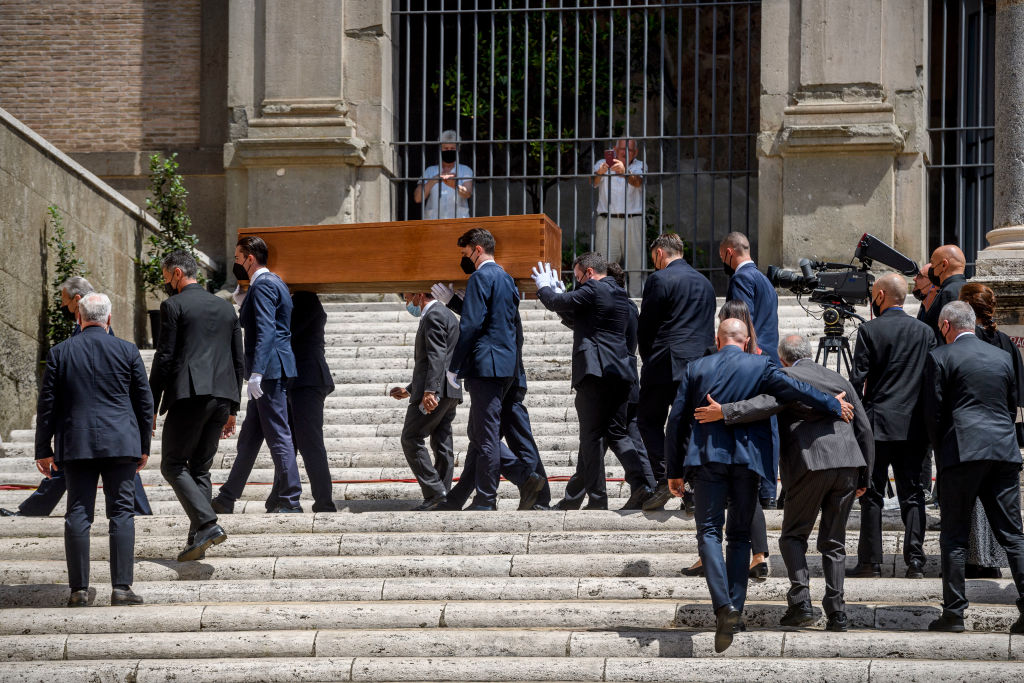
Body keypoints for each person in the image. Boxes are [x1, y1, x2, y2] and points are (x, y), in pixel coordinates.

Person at [663, 318, 848, 653]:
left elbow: (675, 421)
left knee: (707, 531)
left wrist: (673, 471)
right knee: (738, 537)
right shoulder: (761, 365)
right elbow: (798, 390)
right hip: (747, 463)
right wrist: (833, 403)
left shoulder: (696, 368)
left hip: (707, 460)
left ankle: (725, 607)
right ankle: (736, 609)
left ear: (718, 340)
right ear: (747, 340)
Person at [695, 334, 872, 633]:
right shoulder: (837, 378)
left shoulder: (785, 376)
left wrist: (724, 411)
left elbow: (763, 404)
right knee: (834, 542)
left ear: (784, 358)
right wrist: (865, 475)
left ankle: (801, 602)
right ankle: (837, 613)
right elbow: (864, 427)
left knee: (792, 536)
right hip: (849, 464)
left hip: (809, 463)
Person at [34, 293, 152, 607]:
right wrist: (143, 446)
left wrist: (42, 449)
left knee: (77, 513)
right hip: (121, 443)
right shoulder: (127, 350)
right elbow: (144, 402)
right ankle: (122, 588)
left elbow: (47, 406)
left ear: (79, 318)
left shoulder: (60, 352)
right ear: (109, 319)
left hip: (77, 443)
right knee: (122, 513)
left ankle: (78, 590)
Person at [1, 276, 152, 518]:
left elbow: (50, 400)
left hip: (85, 427)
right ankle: (140, 511)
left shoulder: (82, 341)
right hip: (110, 431)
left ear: (78, 300)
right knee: (117, 468)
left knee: (84, 494)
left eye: (65, 301)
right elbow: (142, 399)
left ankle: (141, 511)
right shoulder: (113, 341)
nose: (64, 307)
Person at [923, 301, 1024, 634]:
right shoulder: (1003, 356)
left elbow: (934, 414)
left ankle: (954, 613)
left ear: (948, 326)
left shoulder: (941, 357)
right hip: (1003, 451)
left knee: (954, 537)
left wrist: (941, 450)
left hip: (962, 452)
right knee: (1013, 536)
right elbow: (1011, 407)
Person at [532, 254, 657, 510]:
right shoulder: (621, 295)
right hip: (621, 373)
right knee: (617, 433)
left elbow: (556, 302)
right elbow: (584, 320)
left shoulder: (593, 288)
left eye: (578, 278)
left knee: (590, 438)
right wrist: (564, 299)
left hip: (595, 372)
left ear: (589, 272)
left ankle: (598, 499)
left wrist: (545, 288)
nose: (578, 284)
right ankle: (643, 483)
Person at [149, 250, 241, 562]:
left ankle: (207, 524)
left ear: (176, 273)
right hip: (222, 398)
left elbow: (165, 357)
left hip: (190, 396)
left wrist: (150, 403)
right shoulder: (225, 307)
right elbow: (238, 359)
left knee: (172, 465)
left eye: (165, 275)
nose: (165, 282)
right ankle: (198, 538)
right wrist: (233, 408)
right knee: (200, 468)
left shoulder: (173, 305)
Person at [847, 273, 936, 579]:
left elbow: (857, 381)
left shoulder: (869, 330)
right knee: (913, 494)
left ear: (881, 295)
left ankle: (870, 562)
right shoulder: (925, 332)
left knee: (871, 493)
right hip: (913, 426)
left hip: (877, 424)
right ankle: (915, 562)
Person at [433, 283, 550, 511]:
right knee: (481, 438)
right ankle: (459, 497)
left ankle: (531, 486)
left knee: (500, 440)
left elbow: (486, 323)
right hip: (504, 376)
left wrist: (457, 303)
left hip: (505, 379)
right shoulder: (499, 297)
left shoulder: (502, 298)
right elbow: (485, 318)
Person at [682, 300, 774, 581]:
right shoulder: (761, 357)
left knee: (712, 521)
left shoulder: (711, 358)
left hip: (717, 440)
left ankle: (709, 558)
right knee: (746, 502)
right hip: (750, 441)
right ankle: (759, 555)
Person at [213, 236, 303, 514]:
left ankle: (290, 499)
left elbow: (265, 331)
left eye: (239, 258)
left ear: (250, 258)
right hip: (276, 366)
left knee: (278, 434)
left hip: (269, 370)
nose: (237, 263)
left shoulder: (263, 285)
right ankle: (228, 497)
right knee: (250, 437)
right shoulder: (275, 283)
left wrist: (257, 373)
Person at [637, 233, 716, 511]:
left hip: (667, 361)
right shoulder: (706, 283)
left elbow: (646, 326)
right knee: (690, 425)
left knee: (647, 420)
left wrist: (648, 358)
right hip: (703, 366)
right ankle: (692, 489)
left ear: (659, 253)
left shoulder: (660, 279)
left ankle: (664, 479)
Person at [445, 228, 519, 510]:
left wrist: (454, 366)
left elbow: (472, 325)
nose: (464, 259)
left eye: (465, 253)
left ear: (477, 249)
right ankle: (460, 497)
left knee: (485, 436)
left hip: (484, 365)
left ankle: (490, 497)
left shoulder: (479, 277)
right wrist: (454, 301)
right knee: (479, 433)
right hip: (505, 364)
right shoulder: (506, 278)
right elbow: (498, 320)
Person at [959, 283, 1024, 578]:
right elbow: (1018, 394)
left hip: (970, 436)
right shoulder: (1006, 343)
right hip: (1002, 434)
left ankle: (976, 559)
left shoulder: (964, 342)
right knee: (1001, 513)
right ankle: (992, 560)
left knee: (973, 506)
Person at [267, 291, 338, 513]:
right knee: (292, 443)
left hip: (307, 380)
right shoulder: (298, 300)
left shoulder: (305, 299)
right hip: (299, 380)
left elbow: (284, 332)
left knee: (309, 443)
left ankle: (324, 502)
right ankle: (277, 498)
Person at [391, 291, 462, 510]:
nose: (407, 302)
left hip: (436, 393)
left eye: (407, 297)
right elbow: (438, 359)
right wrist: (410, 389)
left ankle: (435, 491)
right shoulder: (448, 315)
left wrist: (430, 390)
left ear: (419, 294)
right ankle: (442, 495)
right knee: (441, 443)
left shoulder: (433, 315)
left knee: (411, 437)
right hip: (449, 391)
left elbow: (436, 355)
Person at [592, 138, 646, 296]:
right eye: (622, 149)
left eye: (629, 150)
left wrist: (624, 172)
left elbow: (638, 182)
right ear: (615, 149)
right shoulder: (602, 163)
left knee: (637, 267)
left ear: (635, 152)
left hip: (633, 220)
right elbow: (592, 182)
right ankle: (606, 300)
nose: (624, 152)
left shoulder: (639, 166)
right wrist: (600, 173)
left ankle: (638, 303)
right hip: (607, 221)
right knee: (604, 267)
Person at [413, 129, 473, 219]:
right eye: (446, 148)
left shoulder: (465, 170)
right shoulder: (430, 171)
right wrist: (434, 180)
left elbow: (468, 193)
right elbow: (418, 198)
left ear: (458, 149)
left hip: (459, 220)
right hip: (433, 221)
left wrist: (454, 186)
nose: (449, 151)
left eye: (452, 148)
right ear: (440, 149)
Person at [920, 244, 968, 343]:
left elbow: (949, 334)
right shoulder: (966, 288)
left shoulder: (949, 292)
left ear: (944, 265)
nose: (931, 269)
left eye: (932, 264)